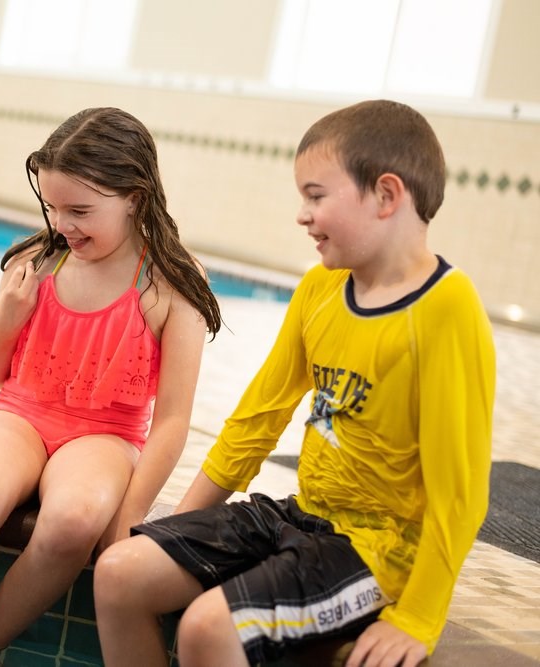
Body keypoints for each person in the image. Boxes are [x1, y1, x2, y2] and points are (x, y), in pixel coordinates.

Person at [93, 99, 496, 667]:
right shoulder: (320, 290)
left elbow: (460, 490)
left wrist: (419, 617)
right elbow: (256, 421)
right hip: (302, 515)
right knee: (118, 573)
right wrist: (180, 528)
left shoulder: (446, 308)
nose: (302, 216)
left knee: (209, 627)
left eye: (316, 196)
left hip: (379, 550)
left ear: (386, 195)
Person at [0, 107, 223, 666]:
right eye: (51, 207)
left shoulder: (171, 282)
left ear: (135, 197)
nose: (62, 224)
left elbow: (171, 421)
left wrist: (129, 513)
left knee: (73, 522)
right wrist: (8, 316)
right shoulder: (36, 262)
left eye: (80, 211)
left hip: (105, 434)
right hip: (21, 413)